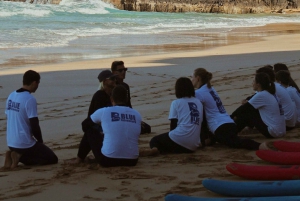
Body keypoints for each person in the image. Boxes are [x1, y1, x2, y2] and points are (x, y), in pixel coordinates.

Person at [70, 85, 142, 167]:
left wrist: (101, 129)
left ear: (111, 99)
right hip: (132, 161)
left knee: (90, 130)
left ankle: (79, 159)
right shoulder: (137, 114)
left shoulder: (104, 111)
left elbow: (85, 125)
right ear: (126, 100)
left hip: (108, 160)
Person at [192, 68, 261, 150]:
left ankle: (261, 146)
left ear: (198, 78)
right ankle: (210, 140)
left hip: (220, 127)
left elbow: (199, 116)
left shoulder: (199, 93)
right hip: (228, 123)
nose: (191, 80)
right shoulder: (210, 88)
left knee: (236, 142)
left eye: (192, 77)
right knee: (228, 140)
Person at [2, 70, 58, 170]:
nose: (38, 86)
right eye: (38, 83)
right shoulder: (29, 99)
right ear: (34, 83)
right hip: (24, 143)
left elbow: (8, 117)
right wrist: (40, 141)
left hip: (11, 142)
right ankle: (19, 156)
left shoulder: (11, 95)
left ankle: (11, 154)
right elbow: (34, 124)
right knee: (52, 159)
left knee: (37, 153)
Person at [144, 77, 203, 156]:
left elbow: (173, 124)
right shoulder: (198, 102)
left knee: (154, 140)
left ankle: (156, 150)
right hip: (194, 144)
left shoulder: (176, 103)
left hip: (181, 139)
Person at [231, 72, 286, 138]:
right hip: (281, 130)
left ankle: (231, 133)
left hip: (273, 132)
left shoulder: (262, 95)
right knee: (251, 111)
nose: (252, 83)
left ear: (258, 84)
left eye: (254, 81)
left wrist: (231, 116)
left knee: (247, 114)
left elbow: (243, 108)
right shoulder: (270, 93)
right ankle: (237, 130)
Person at [111, 61, 151, 134]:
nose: (123, 72)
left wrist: (134, 118)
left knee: (147, 128)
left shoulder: (125, 86)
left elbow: (128, 105)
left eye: (125, 69)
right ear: (114, 72)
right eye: (120, 70)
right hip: (115, 116)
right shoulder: (111, 87)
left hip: (126, 116)